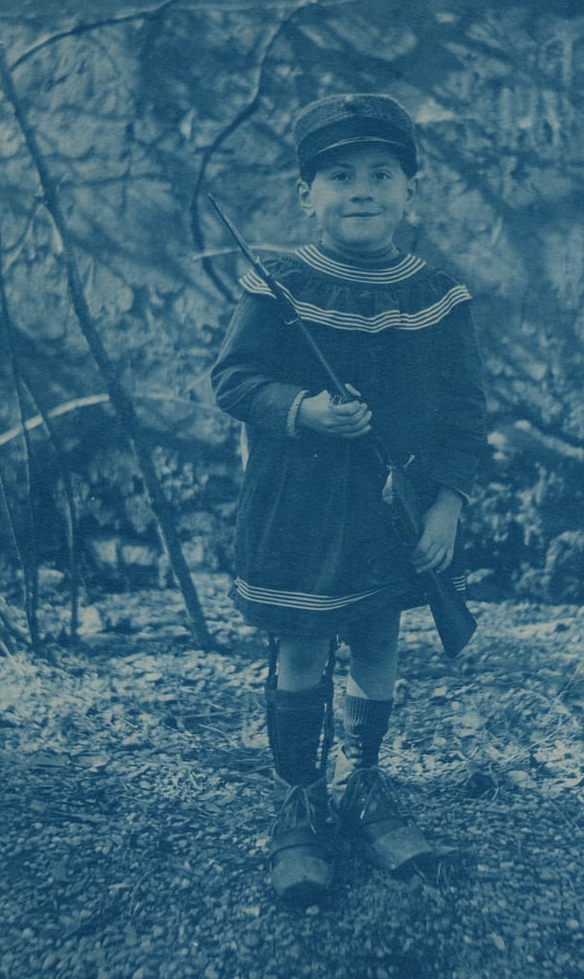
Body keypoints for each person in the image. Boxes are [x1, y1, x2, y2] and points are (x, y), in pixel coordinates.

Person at [211, 93, 487, 904]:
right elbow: (234, 379)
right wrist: (303, 411)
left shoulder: (437, 294)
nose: (360, 190)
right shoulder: (280, 282)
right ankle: (299, 803)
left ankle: (364, 783)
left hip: (391, 510)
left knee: (376, 644)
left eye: (381, 174)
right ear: (308, 194)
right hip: (294, 503)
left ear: (412, 191)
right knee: (301, 647)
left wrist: (449, 505)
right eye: (339, 176)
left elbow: (466, 413)